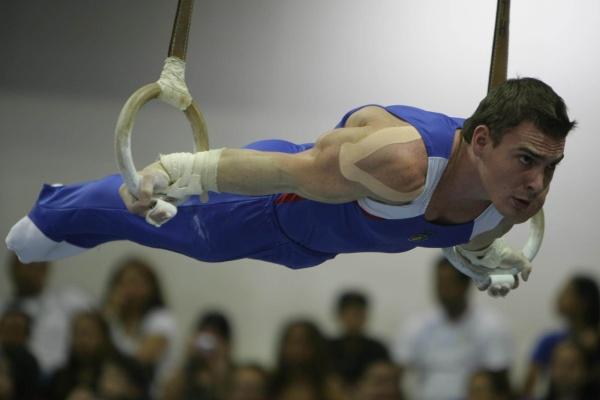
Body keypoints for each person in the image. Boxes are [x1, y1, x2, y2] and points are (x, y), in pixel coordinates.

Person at [6, 78, 574, 295]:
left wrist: (486, 260)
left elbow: (463, 241)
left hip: (311, 247)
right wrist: (179, 171)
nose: (536, 182)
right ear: (479, 142)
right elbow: (286, 171)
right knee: (168, 224)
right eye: (526, 159)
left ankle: (69, 216)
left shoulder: (511, 207)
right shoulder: (398, 162)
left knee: (173, 236)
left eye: (550, 166)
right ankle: (58, 209)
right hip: (274, 203)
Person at [392, 256, 514, 400]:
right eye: (439, 283)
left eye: (448, 284)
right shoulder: (417, 325)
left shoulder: (491, 326)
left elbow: (500, 383)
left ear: (465, 285)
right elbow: (395, 374)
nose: (441, 290)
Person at [0, 252, 92, 375]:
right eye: (28, 264)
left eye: (40, 264)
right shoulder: (4, 310)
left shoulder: (69, 301)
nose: (35, 270)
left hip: (59, 379)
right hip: (15, 380)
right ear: (13, 268)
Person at [102, 256, 177, 391]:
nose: (129, 289)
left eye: (135, 283)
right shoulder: (112, 317)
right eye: (122, 283)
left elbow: (140, 361)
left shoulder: (161, 319)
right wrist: (109, 315)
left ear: (151, 287)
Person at [521, 274, 600, 398]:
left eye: (567, 293)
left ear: (584, 301)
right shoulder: (550, 341)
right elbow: (528, 389)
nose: (559, 298)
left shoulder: (595, 341)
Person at [328, 290, 389, 387]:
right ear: (340, 316)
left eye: (358, 314)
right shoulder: (327, 347)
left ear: (365, 316)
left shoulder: (377, 348)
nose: (354, 319)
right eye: (350, 314)